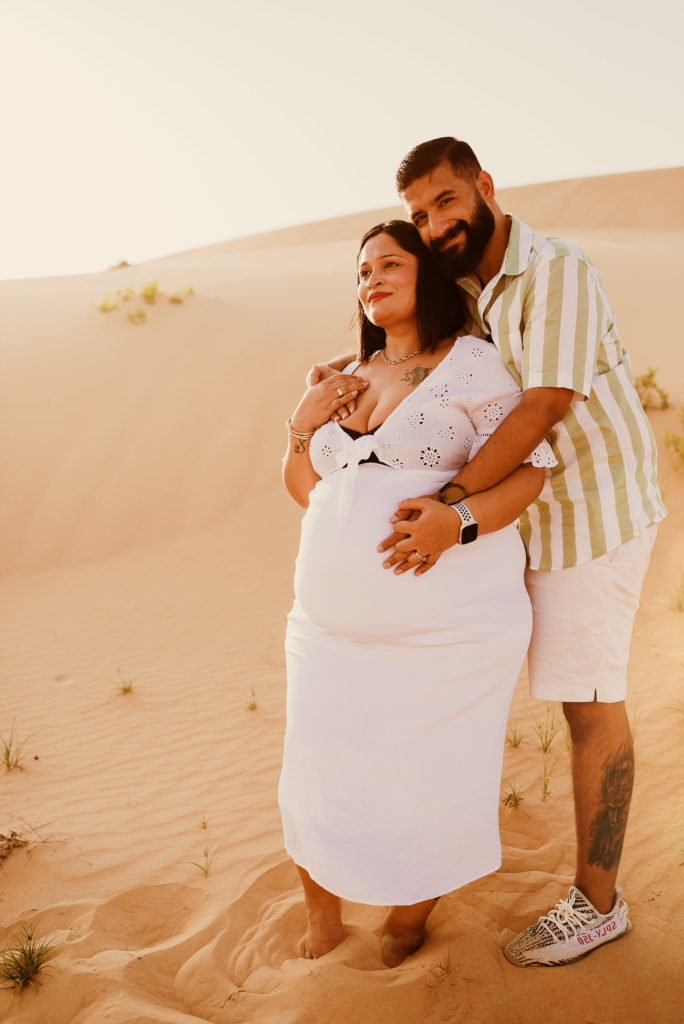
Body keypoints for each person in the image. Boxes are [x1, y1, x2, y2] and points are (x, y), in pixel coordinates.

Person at [358, 137, 664, 966]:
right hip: (515, 524)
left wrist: (453, 503)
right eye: (421, 213)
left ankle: (598, 905)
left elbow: (541, 408)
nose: (435, 224)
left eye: (446, 203)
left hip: (590, 518)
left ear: (485, 188)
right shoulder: (461, 282)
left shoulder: (555, 271)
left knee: (588, 698)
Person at [279, 219, 556, 968]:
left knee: (432, 778)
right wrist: (301, 428)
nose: (370, 277)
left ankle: (406, 920)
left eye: (389, 263)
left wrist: (457, 523)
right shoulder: (345, 376)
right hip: (327, 628)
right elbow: (310, 493)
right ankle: (323, 922)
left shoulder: (471, 364)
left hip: (446, 632)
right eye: (361, 269)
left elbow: (529, 470)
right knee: (316, 771)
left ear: (427, 275)